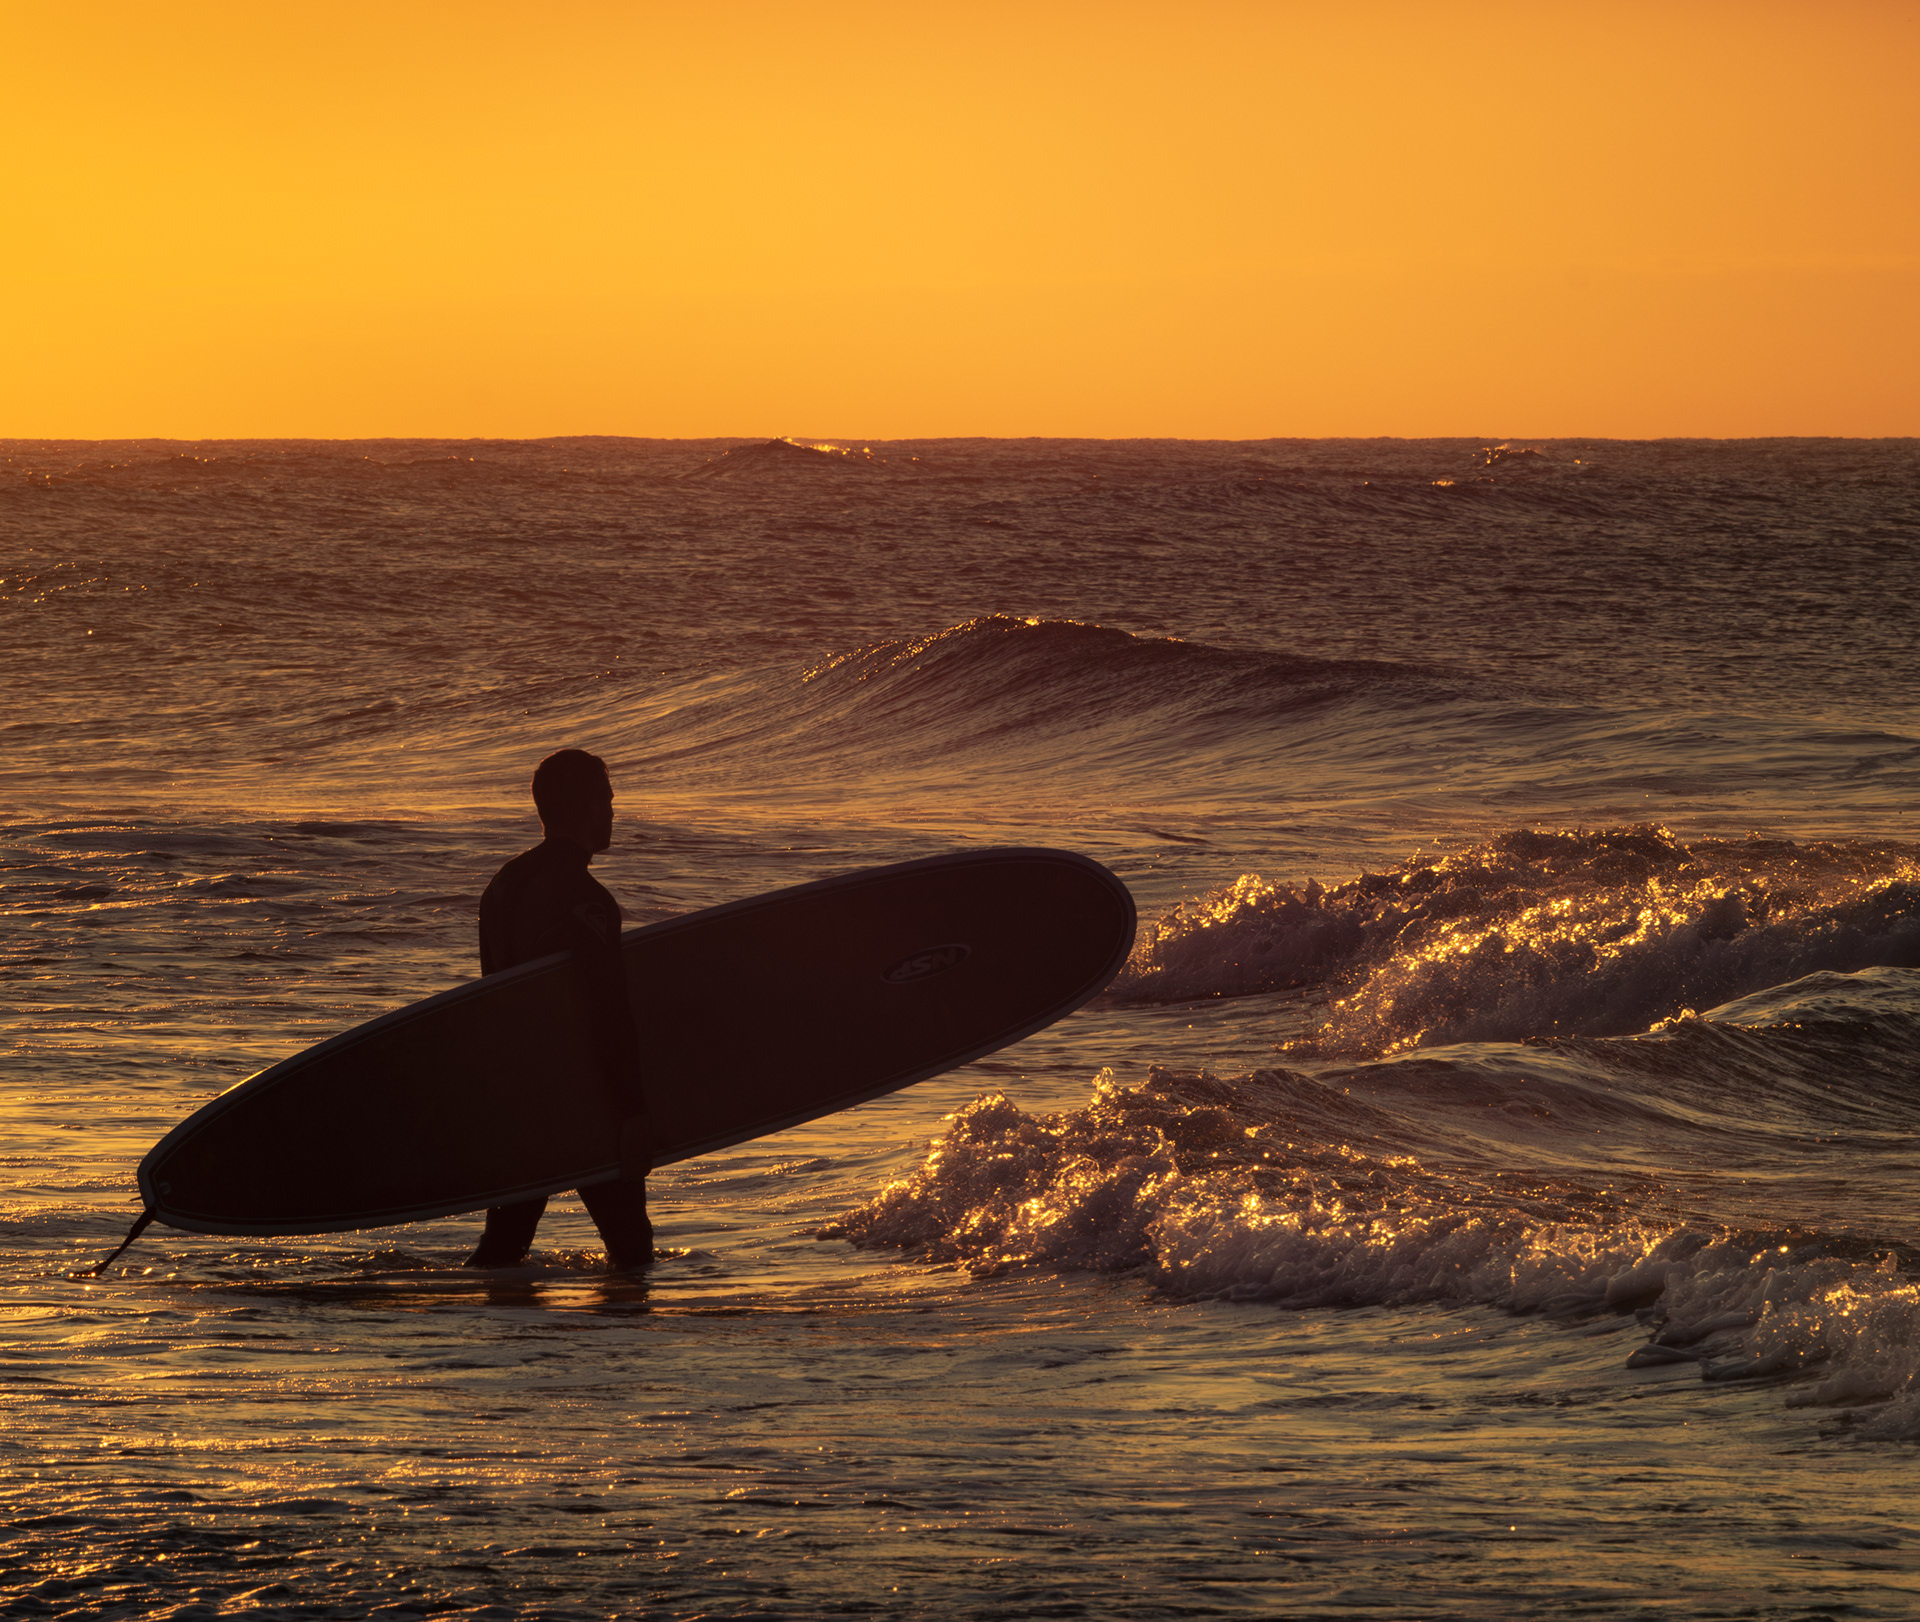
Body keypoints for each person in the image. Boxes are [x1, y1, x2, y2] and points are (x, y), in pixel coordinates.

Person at [465, 748, 655, 1269]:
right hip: (580, 1101)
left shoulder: (503, 884)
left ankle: (481, 1340)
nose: (614, 811)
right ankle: (620, 1349)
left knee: (502, 1249)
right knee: (632, 1249)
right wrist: (632, 1112)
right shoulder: (585, 898)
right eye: (607, 800)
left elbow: (498, 994)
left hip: (520, 1098)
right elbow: (607, 1012)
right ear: (585, 806)